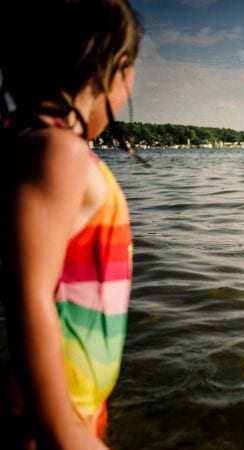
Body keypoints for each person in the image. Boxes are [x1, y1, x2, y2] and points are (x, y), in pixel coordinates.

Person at [0, 1, 142, 448]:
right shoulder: (57, 152)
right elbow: (31, 295)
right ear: (111, 68)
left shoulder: (28, 144)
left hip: (66, 408)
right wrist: (58, 425)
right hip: (47, 421)